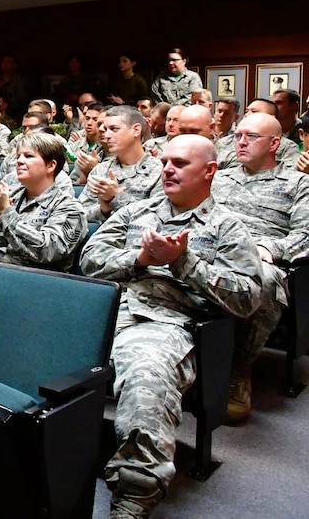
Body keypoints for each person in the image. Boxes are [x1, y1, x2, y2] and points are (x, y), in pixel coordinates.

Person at [80, 135, 262, 518]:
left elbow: (247, 298)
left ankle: (135, 494)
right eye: (164, 161)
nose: (167, 169)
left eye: (180, 163)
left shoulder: (228, 228)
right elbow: (90, 258)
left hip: (164, 322)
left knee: (147, 374)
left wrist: (184, 263)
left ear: (210, 171)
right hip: (104, 310)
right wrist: (141, 258)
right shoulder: (136, 211)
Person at [211, 112, 309, 423]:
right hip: (214, 250)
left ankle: (239, 371)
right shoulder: (220, 177)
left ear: (275, 144)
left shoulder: (297, 183)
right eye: (238, 135)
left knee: (264, 280)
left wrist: (272, 249)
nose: (241, 142)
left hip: (263, 256)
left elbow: (305, 233)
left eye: (251, 136)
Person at [0, 132, 86, 272]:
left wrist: (6, 213)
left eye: (28, 156)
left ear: (51, 165)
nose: (19, 161)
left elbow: (47, 251)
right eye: (18, 156)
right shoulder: (9, 197)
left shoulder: (69, 208)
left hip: (34, 285)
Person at [80, 106, 162, 223]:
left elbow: (156, 218)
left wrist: (116, 197)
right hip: (101, 239)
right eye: (106, 129)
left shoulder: (159, 172)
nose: (107, 135)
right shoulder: (101, 170)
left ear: (136, 130)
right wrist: (103, 209)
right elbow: (79, 215)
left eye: (114, 129)